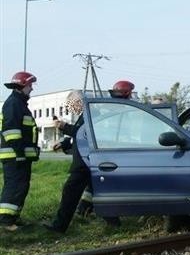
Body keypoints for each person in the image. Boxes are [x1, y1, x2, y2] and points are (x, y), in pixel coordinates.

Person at [42, 80, 134, 234]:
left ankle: (59, 227)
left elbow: (83, 133)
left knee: (71, 191)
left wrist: (64, 127)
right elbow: (79, 135)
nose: (71, 108)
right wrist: (65, 144)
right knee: (98, 192)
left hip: (85, 161)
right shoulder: (87, 113)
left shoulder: (91, 113)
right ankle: (112, 222)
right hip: (90, 160)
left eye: (72, 104)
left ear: (78, 102)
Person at [0, 71, 40, 231]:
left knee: (21, 187)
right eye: (30, 85)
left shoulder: (19, 103)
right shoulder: (13, 104)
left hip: (20, 156)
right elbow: (11, 132)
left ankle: (13, 217)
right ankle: (5, 221)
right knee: (14, 187)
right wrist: (20, 154)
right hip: (15, 156)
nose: (31, 89)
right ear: (22, 85)